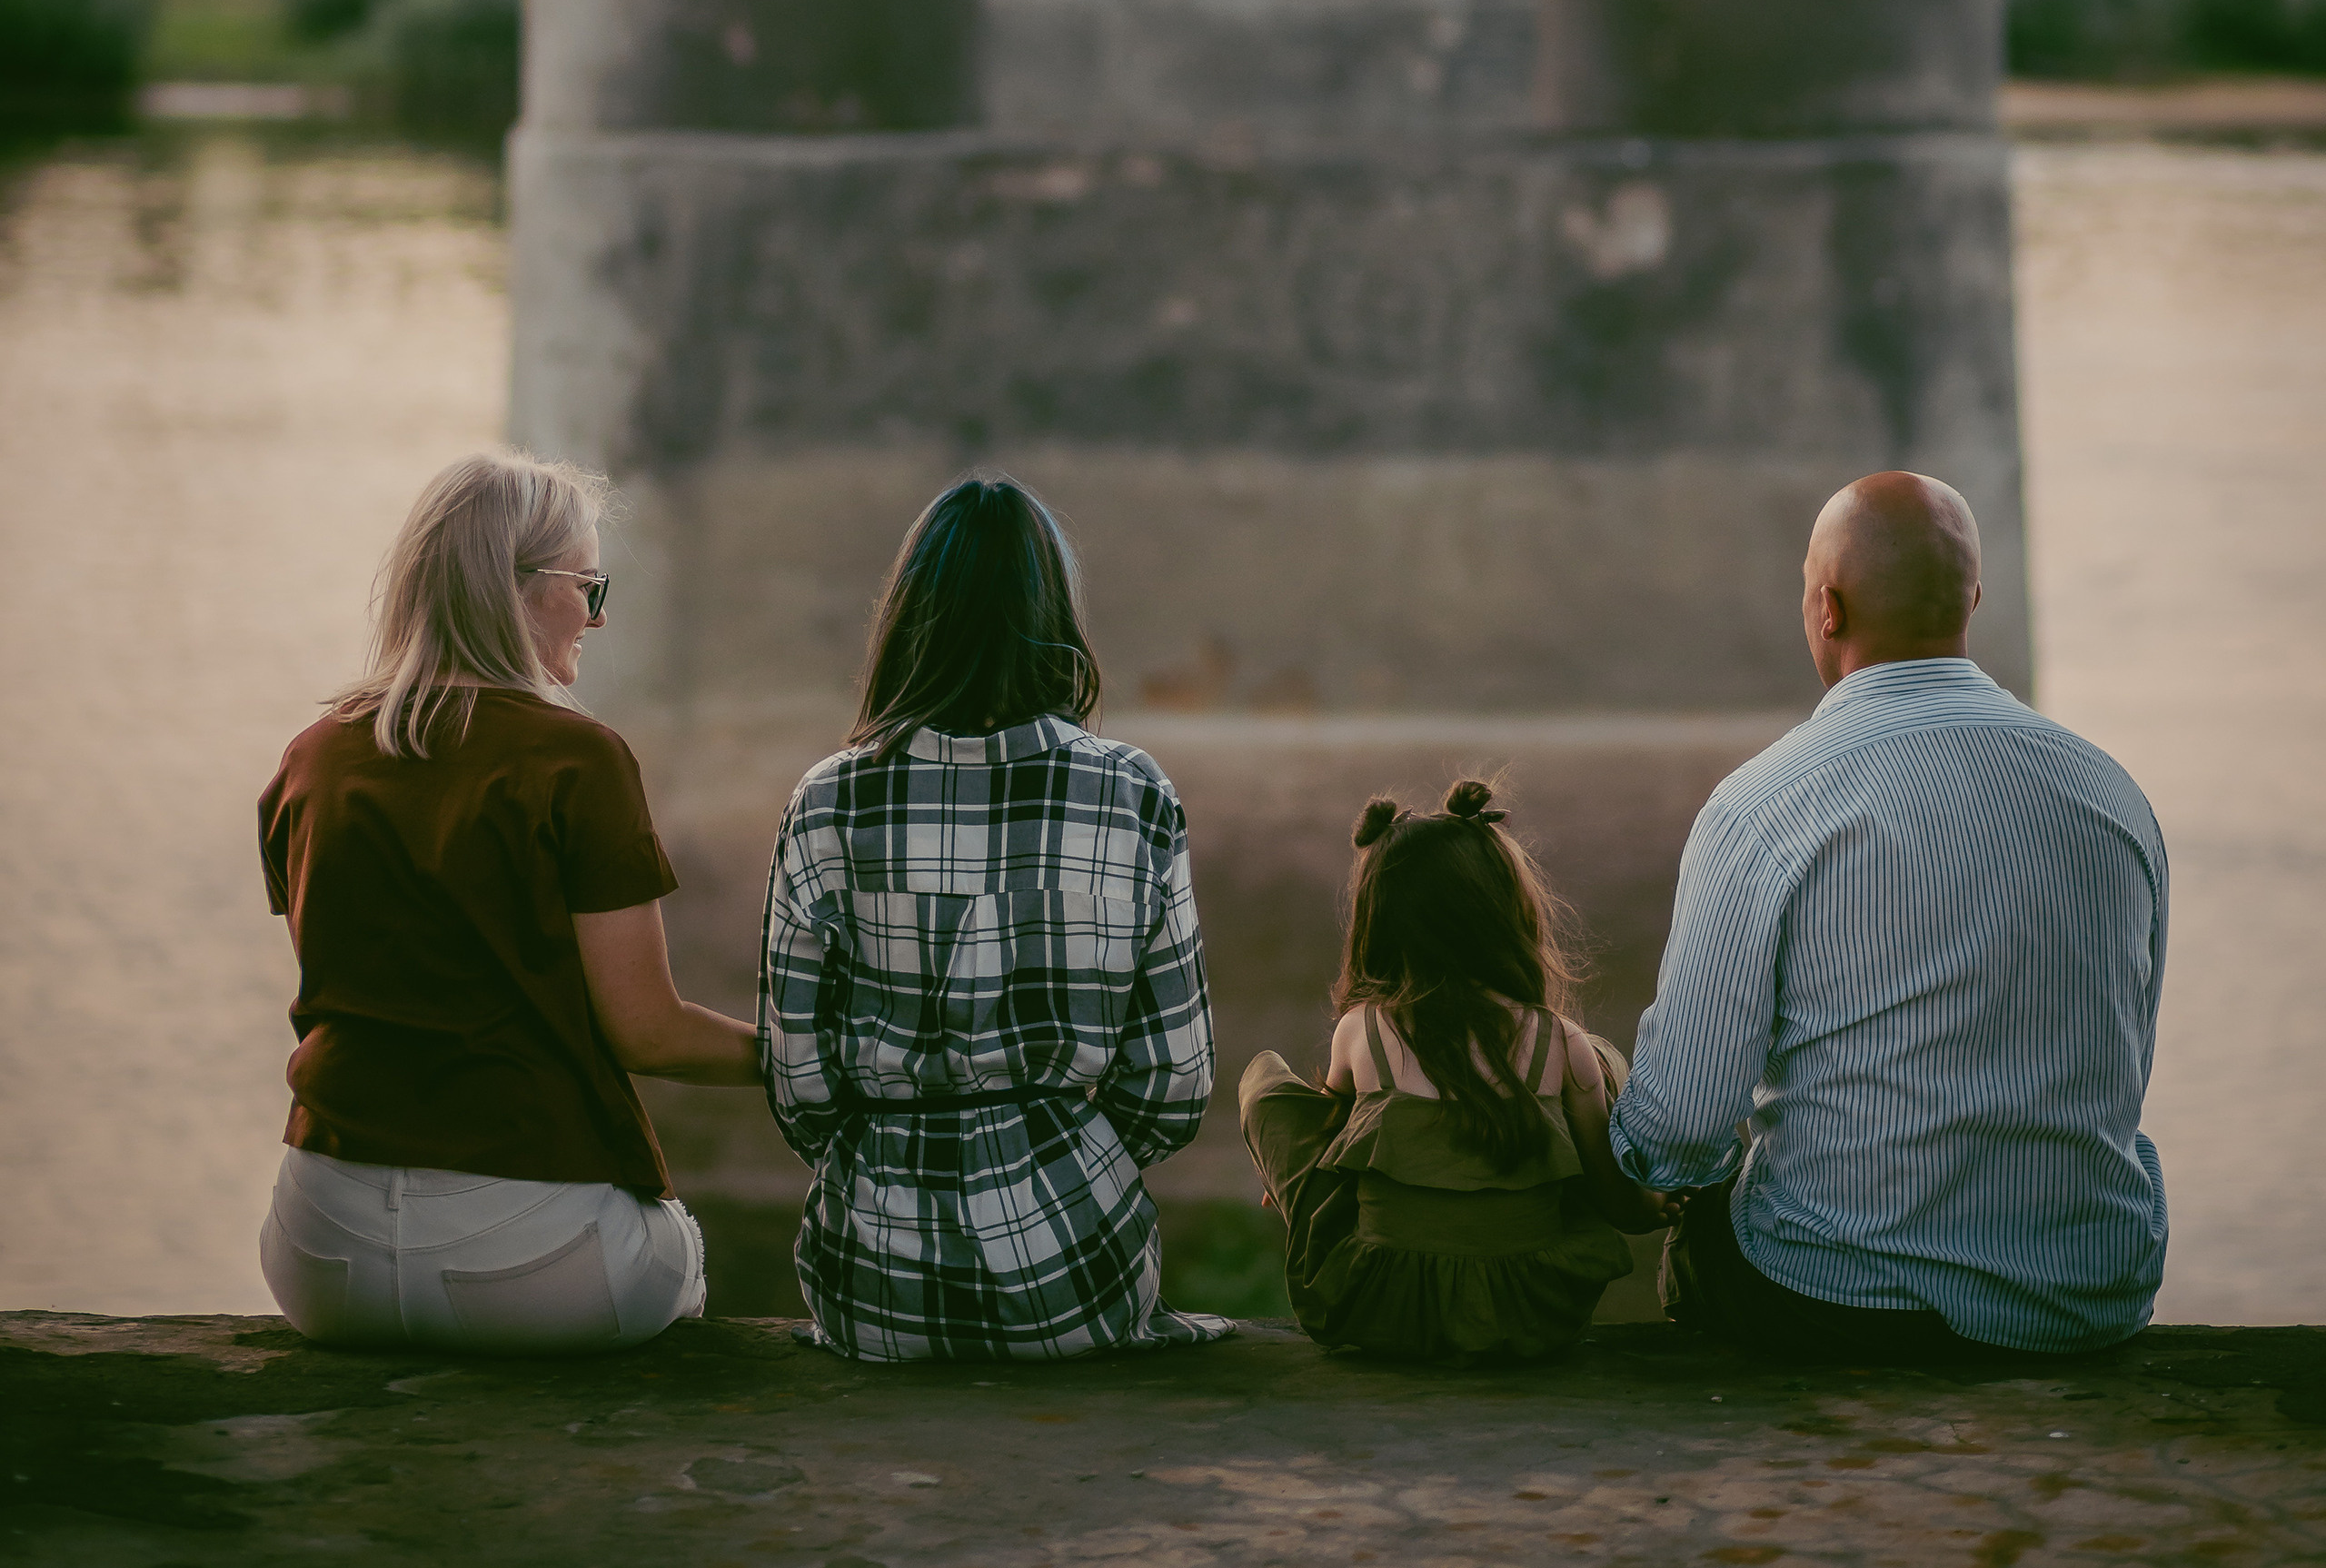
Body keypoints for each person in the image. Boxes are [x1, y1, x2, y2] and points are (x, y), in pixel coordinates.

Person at [1613, 470, 2169, 1360]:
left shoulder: (1763, 807)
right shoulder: (2112, 795)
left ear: (1826, 608)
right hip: (2085, 1297)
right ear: (1972, 600)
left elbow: (1679, 1130)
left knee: (1713, 1217)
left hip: (1843, 1302)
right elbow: (2125, 1056)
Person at [256, 449, 760, 1350]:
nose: (597, 618)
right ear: (518, 589)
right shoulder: (578, 759)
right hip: (530, 1261)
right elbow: (647, 1033)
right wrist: (800, 1057)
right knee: (677, 1248)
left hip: (321, 1254)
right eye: (589, 589)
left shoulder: (312, 758)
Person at [759, 474, 1228, 1362]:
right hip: (1078, 1281)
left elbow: (798, 1082)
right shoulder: (1132, 792)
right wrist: (1066, 1154)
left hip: (874, 1290)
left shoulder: (827, 801)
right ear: (1054, 615)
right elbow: (1174, 1079)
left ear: (908, 617)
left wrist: (887, 1151)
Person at [1239, 781, 1670, 1363]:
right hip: (1533, 1313)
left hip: (1382, 1307)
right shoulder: (1558, 1039)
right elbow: (1610, 1197)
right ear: (1507, 914)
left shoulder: (1361, 1030)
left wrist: (1286, 1176)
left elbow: (1322, 1142)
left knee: (1267, 1087)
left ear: (1378, 923)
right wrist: (1650, 1206)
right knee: (1598, 1064)